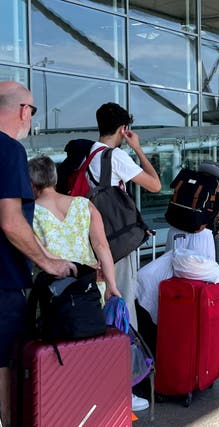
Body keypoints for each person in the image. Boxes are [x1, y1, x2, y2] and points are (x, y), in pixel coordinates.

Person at [0, 81, 76, 426]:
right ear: (22, 111)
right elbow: (12, 223)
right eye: (33, 110)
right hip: (2, 285)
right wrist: (49, 264)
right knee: (5, 373)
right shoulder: (9, 150)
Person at [88, 103, 161, 331]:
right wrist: (137, 148)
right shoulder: (115, 156)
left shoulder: (89, 153)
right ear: (123, 129)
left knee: (104, 297)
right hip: (117, 240)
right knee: (123, 297)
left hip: (96, 237)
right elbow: (156, 185)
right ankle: (129, 358)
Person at [29, 156, 120, 302]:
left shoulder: (29, 212)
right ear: (55, 179)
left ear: (31, 183)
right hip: (91, 284)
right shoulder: (84, 204)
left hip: (55, 286)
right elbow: (102, 246)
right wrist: (111, 284)